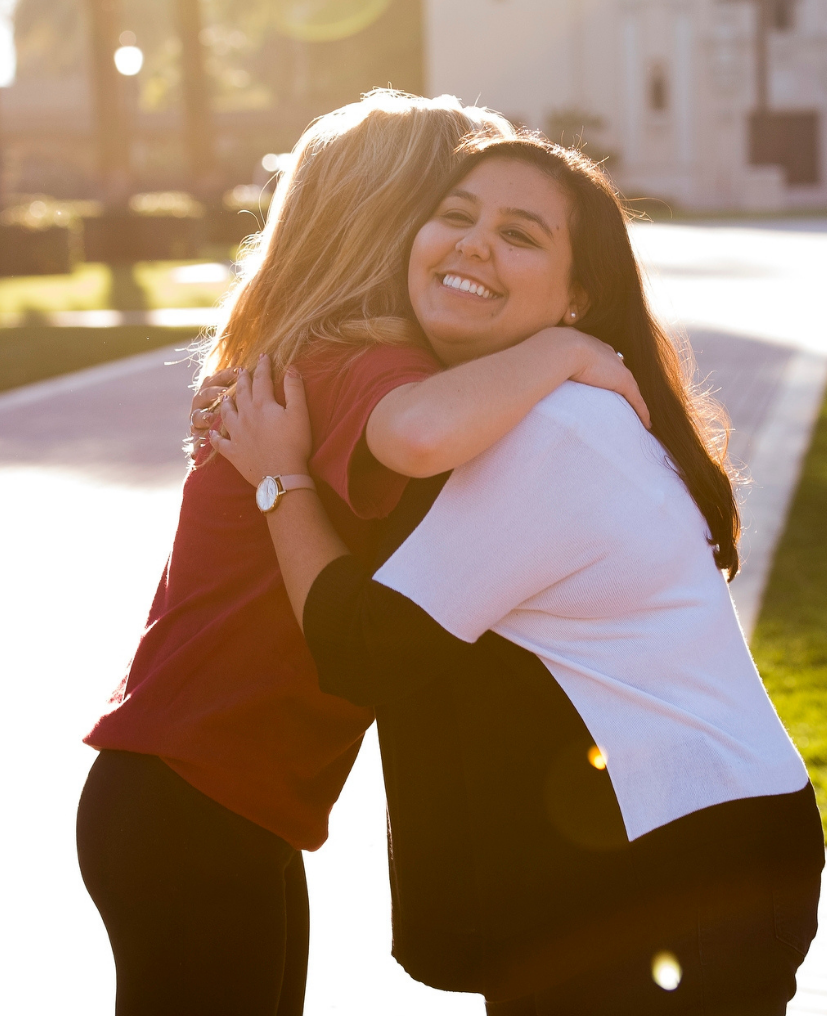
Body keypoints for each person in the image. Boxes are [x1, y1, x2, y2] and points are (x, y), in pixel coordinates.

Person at [209, 132, 824, 1014]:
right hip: (657, 857)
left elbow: (363, 647)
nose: (472, 244)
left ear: (578, 298)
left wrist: (281, 479)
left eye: (519, 235)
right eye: (455, 217)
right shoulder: (521, 410)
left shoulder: (555, 433)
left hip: (680, 870)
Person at [76, 92, 653, 1016]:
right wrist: (567, 350)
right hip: (196, 803)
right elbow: (424, 433)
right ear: (390, 223)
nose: (465, 242)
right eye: (448, 211)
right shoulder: (367, 368)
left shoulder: (312, 360)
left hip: (199, 799)